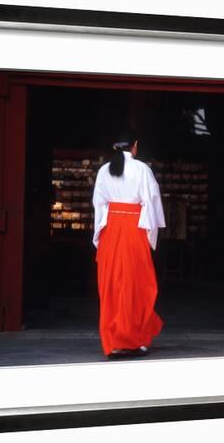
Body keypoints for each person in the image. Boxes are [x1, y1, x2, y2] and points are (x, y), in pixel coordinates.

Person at [92, 129, 166, 358]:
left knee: (111, 287)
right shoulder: (142, 169)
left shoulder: (105, 170)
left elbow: (99, 204)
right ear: (134, 145)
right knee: (138, 285)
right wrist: (150, 235)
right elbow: (151, 202)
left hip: (111, 230)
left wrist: (100, 234)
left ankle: (113, 341)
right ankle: (137, 339)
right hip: (134, 229)